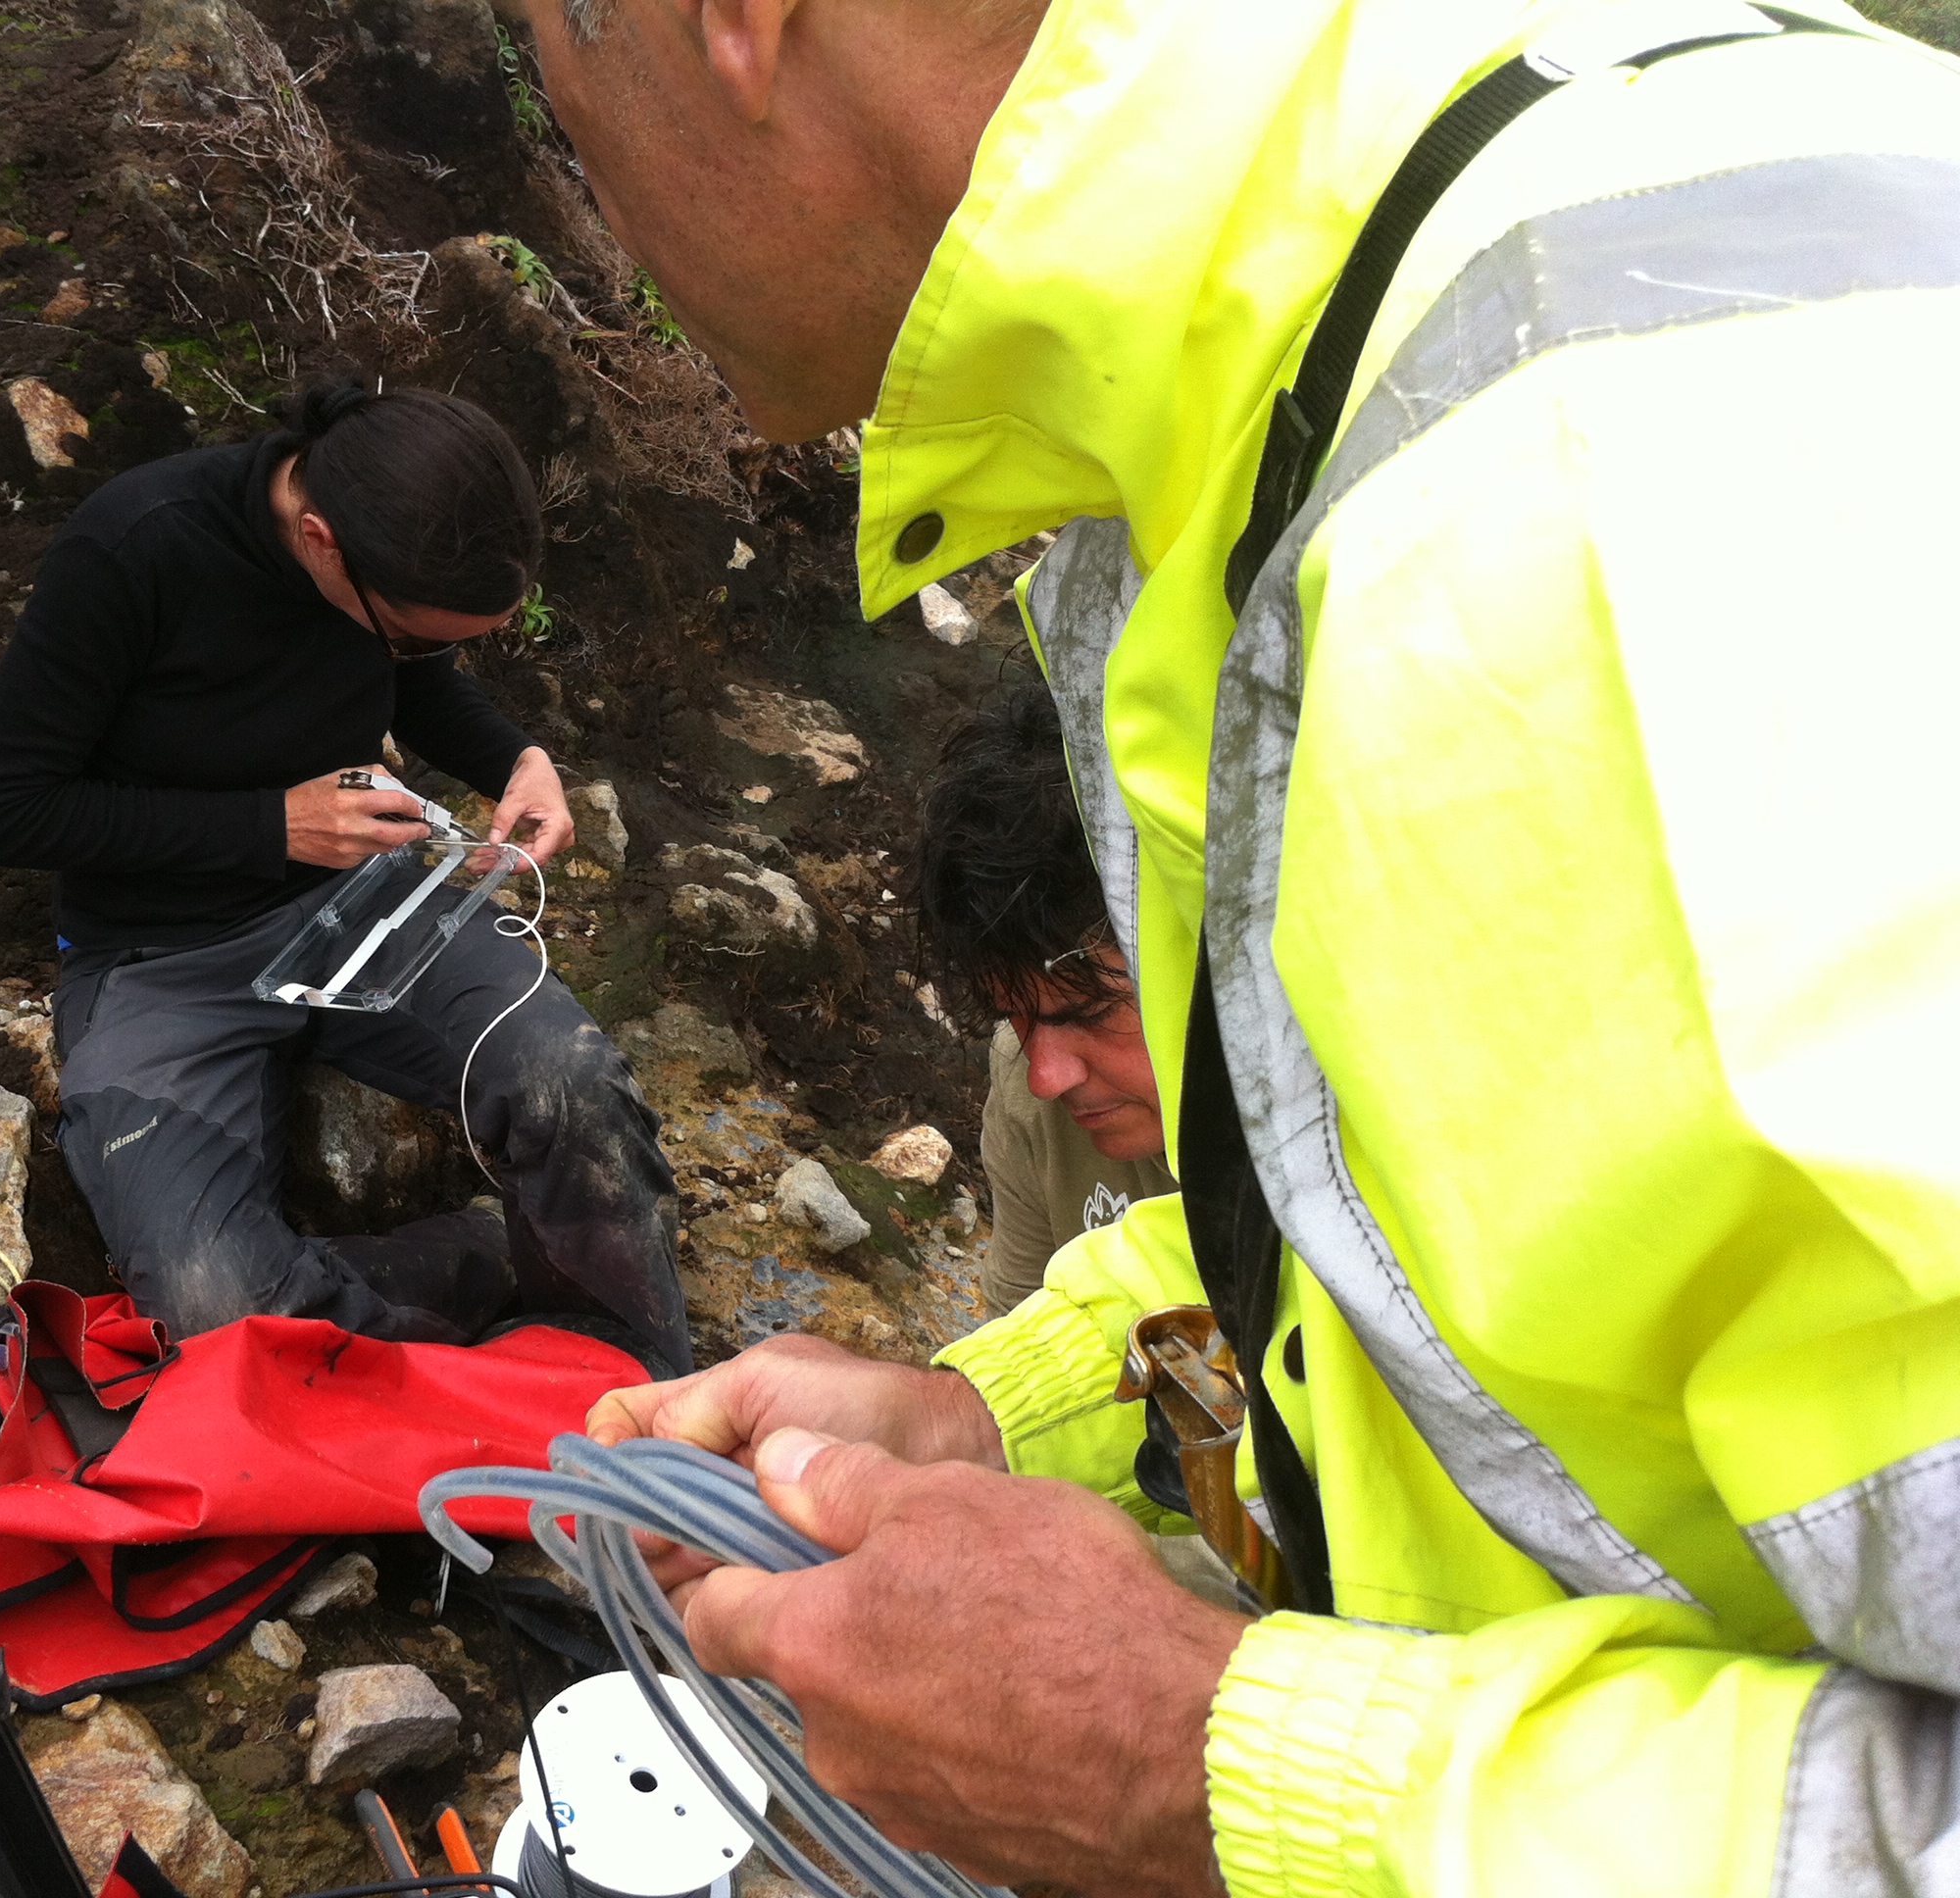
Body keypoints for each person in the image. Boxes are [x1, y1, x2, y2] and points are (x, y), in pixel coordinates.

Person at [510, 0, 1960, 1890]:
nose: (593, 197)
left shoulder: (1589, 493)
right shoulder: (1323, 377)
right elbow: (1435, 1224)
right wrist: (981, 1410)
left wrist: (1209, 1766)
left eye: (548, 64)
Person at [0, 375, 688, 1374]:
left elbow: (417, 679)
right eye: (413, 634)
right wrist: (274, 826)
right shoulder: (136, 546)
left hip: (363, 904)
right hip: (159, 954)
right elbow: (0, 809)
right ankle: (479, 1271)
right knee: (212, 1303)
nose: (418, 654)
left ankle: (637, 1385)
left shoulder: (387, 546)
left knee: (574, 1087)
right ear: (321, 543)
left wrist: (517, 757)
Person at [916, 685, 1173, 1317]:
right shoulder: (1027, 1096)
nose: (1046, 1077)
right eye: (1014, 1015)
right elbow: (1020, 1333)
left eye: (1090, 1013)